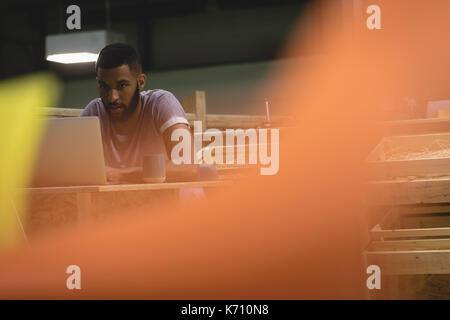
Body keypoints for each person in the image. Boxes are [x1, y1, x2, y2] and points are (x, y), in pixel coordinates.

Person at [80, 43, 217, 184]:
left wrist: (121, 175)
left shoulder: (161, 104)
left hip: (171, 202)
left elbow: (188, 167)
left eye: (121, 86)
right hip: (121, 202)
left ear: (140, 82)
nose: (112, 97)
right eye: (104, 86)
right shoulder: (94, 112)